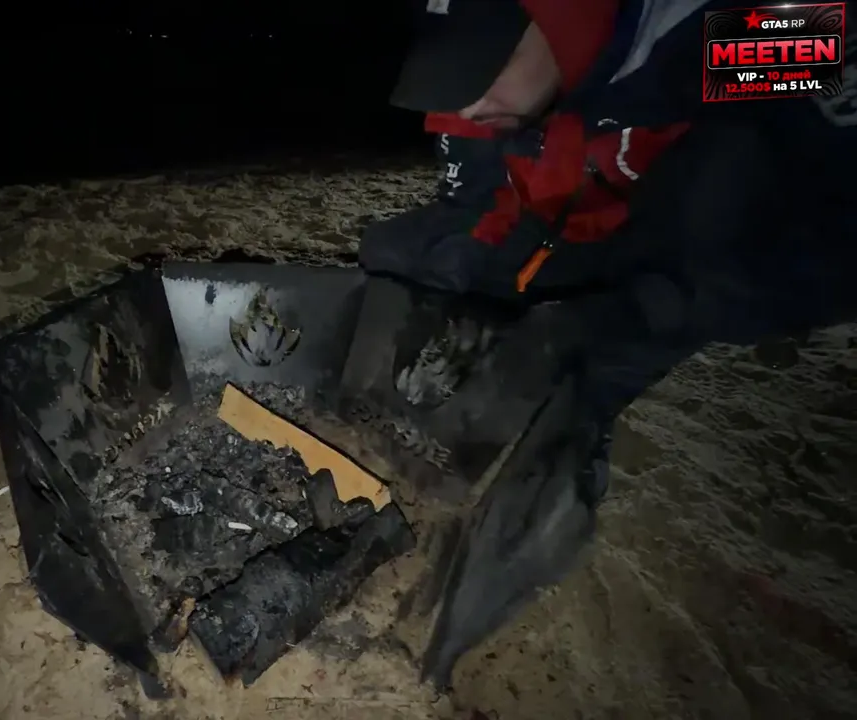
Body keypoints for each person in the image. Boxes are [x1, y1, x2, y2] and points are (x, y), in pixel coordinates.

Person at [363, 0, 856, 689]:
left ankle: (554, 467)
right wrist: (459, 268)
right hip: (576, 225)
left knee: (718, 178)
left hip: (690, 247)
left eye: (482, 69)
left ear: (557, 22)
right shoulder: (491, 92)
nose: (466, 104)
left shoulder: (747, 39)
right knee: (406, 257)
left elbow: (835, 245)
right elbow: (476, 197)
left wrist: (642, 307)